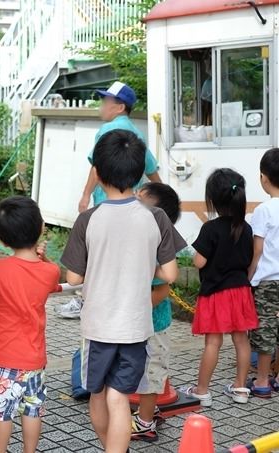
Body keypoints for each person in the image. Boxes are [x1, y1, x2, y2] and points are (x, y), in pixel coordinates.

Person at [61, 129, 185, 453]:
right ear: (139, 174)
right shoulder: (155, 216)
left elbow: (73, 277)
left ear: (98, 173)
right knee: (119, 397)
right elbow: (170, 273)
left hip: (98, 328)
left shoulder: (87, 220)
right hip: (136, 328)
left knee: (100, 395)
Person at [0, 196, 61, 453]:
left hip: (2, 357)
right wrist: (44, 258)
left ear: (2, 239)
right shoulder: (50, 272)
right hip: (34, 358)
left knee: (2, 415)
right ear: (40, 228)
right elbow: (51, 277)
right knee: (33, 410)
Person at [180, 169, 259, 405]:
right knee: (242, 340)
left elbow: (198, 261)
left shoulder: (211, 228)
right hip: (240, 292)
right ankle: (241, 388)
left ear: (213, 199)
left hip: (216, 294)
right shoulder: (246, 228)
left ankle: (202, 391)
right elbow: (248, 261)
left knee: (213, 343)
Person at [131, 182, 182, 442]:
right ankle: (148, 412)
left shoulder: (157, 247)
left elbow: (161, 291)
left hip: (153, 324)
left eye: (140, 200)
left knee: (150, 375)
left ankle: (145, 423)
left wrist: (133, 309)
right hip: (141, 324)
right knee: (145, 371)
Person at [78, 81, 161, 213]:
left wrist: (86, 195)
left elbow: (97, 165)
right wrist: (163, 192)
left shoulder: (107, 129)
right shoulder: (137, 134)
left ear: (120, 107)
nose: (102, 107)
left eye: (105, 103)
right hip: (132, 203)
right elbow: (150, 168)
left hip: (106, 202)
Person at [246, 149, 279, 397]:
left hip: (267, 282)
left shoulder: (263, 210)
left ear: (263, 178)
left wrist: (249, 277)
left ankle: (261, 382)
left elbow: (257, 249)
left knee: (265, 330)